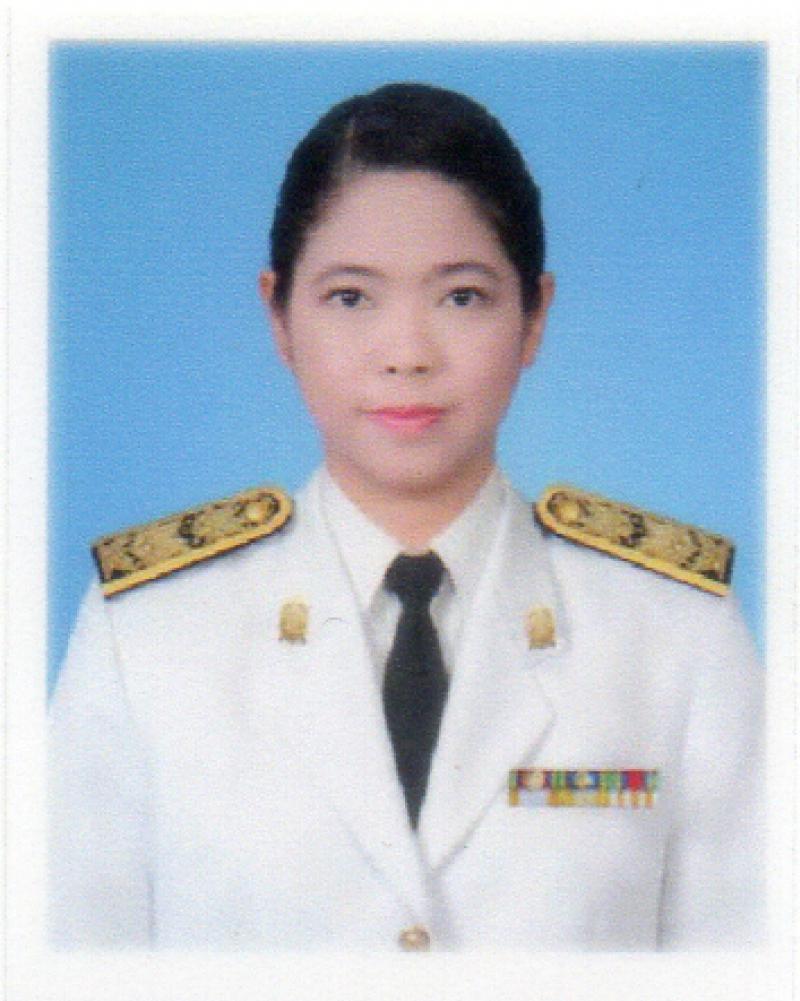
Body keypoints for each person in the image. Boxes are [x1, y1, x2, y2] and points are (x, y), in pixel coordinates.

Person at [48, 82, 763, 952]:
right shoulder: (147, 635)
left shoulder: (676, 633)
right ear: (279, 315)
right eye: (351, 297)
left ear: (535, 316)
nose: (407, 355)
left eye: (462, 297)